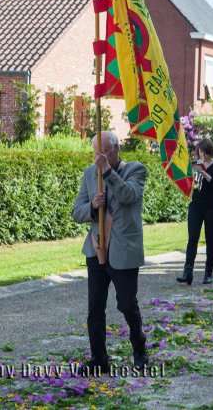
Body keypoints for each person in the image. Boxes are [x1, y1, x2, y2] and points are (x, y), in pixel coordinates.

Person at [72, 131, 148, 374]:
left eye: (104, 151)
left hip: (123, 251)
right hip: (97, 248)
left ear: (117, 148)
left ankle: (140, 349)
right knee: (95, 308)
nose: (100, 156)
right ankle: (99, 360)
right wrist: (92, 207)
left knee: (127, 305)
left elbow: (128, 195)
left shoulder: (135, 170)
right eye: (97, 152)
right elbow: (76, 212)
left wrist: (106, 170)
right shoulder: (89, 174)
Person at [176, 138, 213, 285]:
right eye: (200, 152)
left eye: (205, 152)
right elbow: (191, 184)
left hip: (212, 207)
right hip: (196, 205)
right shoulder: (195, 164)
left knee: (210, 239)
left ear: (210, 151)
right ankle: (187, 272)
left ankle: (208, 272)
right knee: (192, 238)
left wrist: (205, 174)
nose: (202, 155)